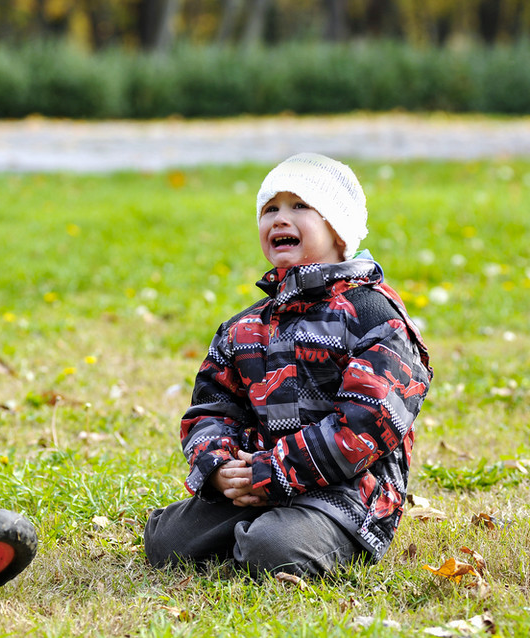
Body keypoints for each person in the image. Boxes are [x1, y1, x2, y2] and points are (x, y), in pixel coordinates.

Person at [144, 152, 433, 577]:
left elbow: (367, 423)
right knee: (165, 541)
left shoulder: (374, 316)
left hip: (348, 497)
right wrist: (220, 467)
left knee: (273, 548)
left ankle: (273, 541)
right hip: (257, 483)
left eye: (300, 206)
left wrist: (274, 471)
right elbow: (212, 409)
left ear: (339, 231)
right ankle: (255, 530)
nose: (280, 218)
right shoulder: (244, 327)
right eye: (270, 209)